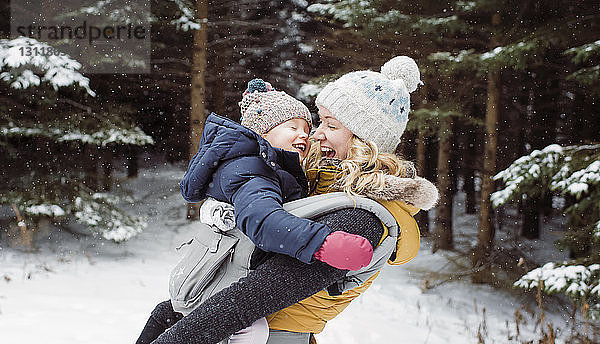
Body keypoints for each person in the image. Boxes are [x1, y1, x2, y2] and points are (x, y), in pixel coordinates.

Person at [148, 55, 439, 344]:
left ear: (365, 139)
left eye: (331, 125)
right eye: (319, 122)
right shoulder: (315, 184)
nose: (316, 135)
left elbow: (250, 298)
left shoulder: (361, 218)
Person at [136, 79, 373, 344]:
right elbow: (264, 221)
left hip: (210, 278)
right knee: (253, 332)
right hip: (221, 286)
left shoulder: (264, 169)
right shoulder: (254, 172)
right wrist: (321, 243)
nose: (306, 134)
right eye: (292, 127)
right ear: (262, 134)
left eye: (307, 128)